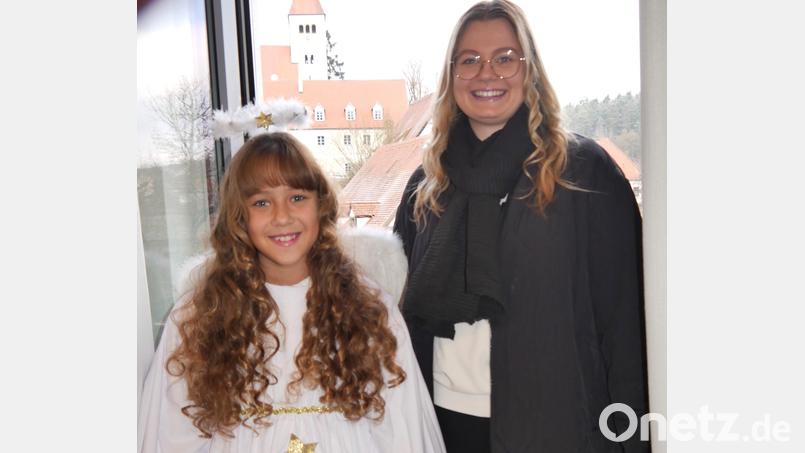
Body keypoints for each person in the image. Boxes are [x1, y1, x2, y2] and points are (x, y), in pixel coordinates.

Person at [393, 1, 650, 452]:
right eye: (469, 60)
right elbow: (396, 313)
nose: (487, 73)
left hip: (556, 423)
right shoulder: (426, 185)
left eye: (505, 58)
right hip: (439, 423)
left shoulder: (584, 173)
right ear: (451, 76)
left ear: (529, 70)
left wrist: (632, 439)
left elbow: (626, 321)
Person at [139, 132, 445, 453]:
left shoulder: (369, 308)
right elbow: (173, 434)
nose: (282, 217)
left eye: (297, 198)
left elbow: (402, 429)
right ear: (239, 216)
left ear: (321, 205)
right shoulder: (200, 315)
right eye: (261, 202)